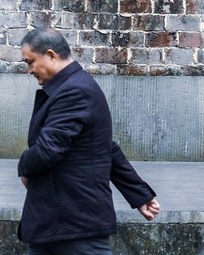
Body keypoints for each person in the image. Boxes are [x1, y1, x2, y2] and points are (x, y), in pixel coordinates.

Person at [17, 27, 161, 255]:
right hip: (60, 223)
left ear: (51, 55)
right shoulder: (73, 87)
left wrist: (24, 167)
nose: (29, 70)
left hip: (74, 222)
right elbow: (105, 148)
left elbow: (47, 149)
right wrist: (139, 194)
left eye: (30, 62)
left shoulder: (74, 91)